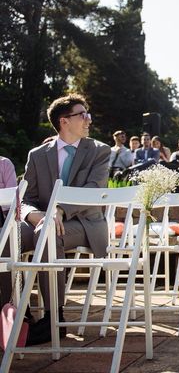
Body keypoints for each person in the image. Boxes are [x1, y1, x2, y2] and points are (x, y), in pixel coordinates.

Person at [0, 94, 110, 345]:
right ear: (64, 121)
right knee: (8, 234)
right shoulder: (37, 154)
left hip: (84, 223)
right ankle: (15, 312)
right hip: (43, 221)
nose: (88, 120)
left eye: (88, 114)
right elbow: (26, 196)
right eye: (82, 115)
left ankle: (53, 319)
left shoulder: (99, 151)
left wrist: (57, 211)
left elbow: (93, 189)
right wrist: (33, 214)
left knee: (46, 233)